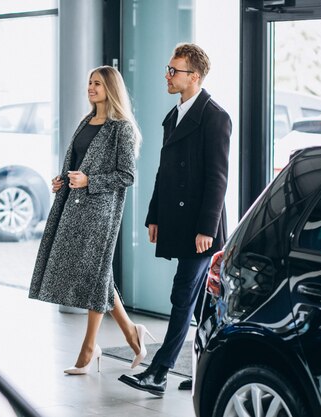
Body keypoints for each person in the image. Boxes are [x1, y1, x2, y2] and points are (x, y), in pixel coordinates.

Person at [118, 43, 231, 396]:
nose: (167, 76)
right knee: (201, 303)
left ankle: (159, 371)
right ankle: (205, 374)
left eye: (174, 71)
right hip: (177, 220)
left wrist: (206, 228)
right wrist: (155, 215)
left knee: (183, 295)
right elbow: (164, 172)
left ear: (194, 77)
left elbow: (218, 178)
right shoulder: (174, 115)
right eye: (168, 69)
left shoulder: (215, 117)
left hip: (201, 227)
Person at [29, 66, 155, 375]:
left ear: (110, 88)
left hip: (100, 213)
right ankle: (131, 335)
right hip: (72, 207)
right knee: (97, 273)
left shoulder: (121, 128)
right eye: (89, 82)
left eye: (97, 83)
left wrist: (90, 181)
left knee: (96, 272)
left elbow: (127, 175)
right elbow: (76, 164)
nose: (90, 88)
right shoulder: (86, 121)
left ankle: (89, 347)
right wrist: (62, 179)